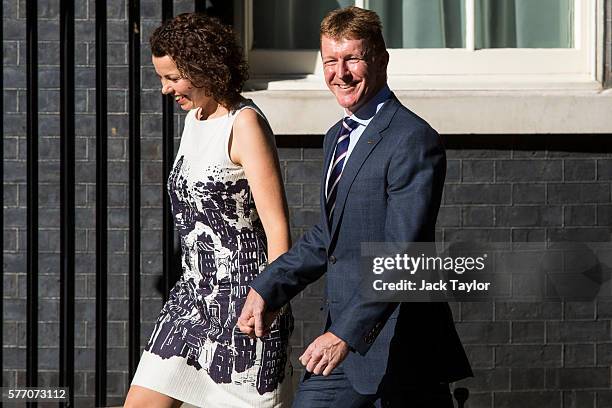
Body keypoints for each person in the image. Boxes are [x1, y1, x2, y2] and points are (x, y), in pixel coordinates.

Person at [238, 6, 472, 408]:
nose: (340, 73)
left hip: (401, 346)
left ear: (380, 59)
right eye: (331, 60)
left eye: (352, 58)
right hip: (348, 345)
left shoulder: (412, 139)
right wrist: (269, 287)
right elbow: (331, 235)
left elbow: (403, 254)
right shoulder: (337, 137)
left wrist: (344, 334)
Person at [125, 13, 294, 408]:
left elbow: (278, 232)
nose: (165, 89)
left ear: (204, 67)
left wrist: (269, 301)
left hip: (245, 305)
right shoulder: (193, 119)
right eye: (161, 78)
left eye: (172, 77)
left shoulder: (245, 124)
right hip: (189, 302)